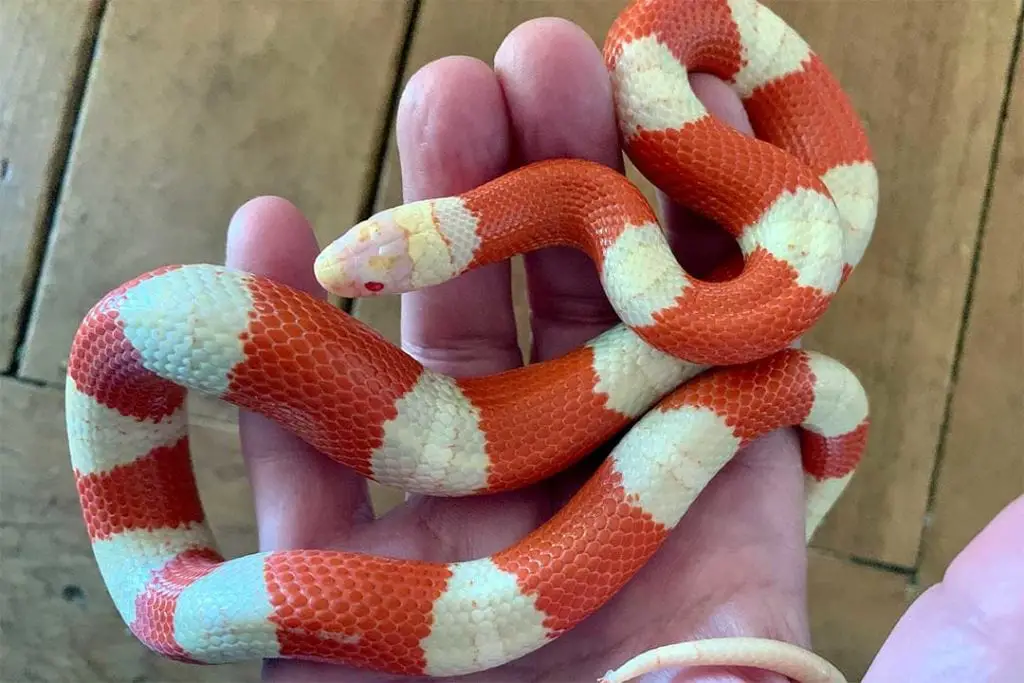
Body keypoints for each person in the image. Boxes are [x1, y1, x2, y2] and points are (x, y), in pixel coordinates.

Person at [222, 18, 1023, 683]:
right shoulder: (606, 204)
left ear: (449, 223)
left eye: (377, 261)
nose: (354, 268)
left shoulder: (612, 190)